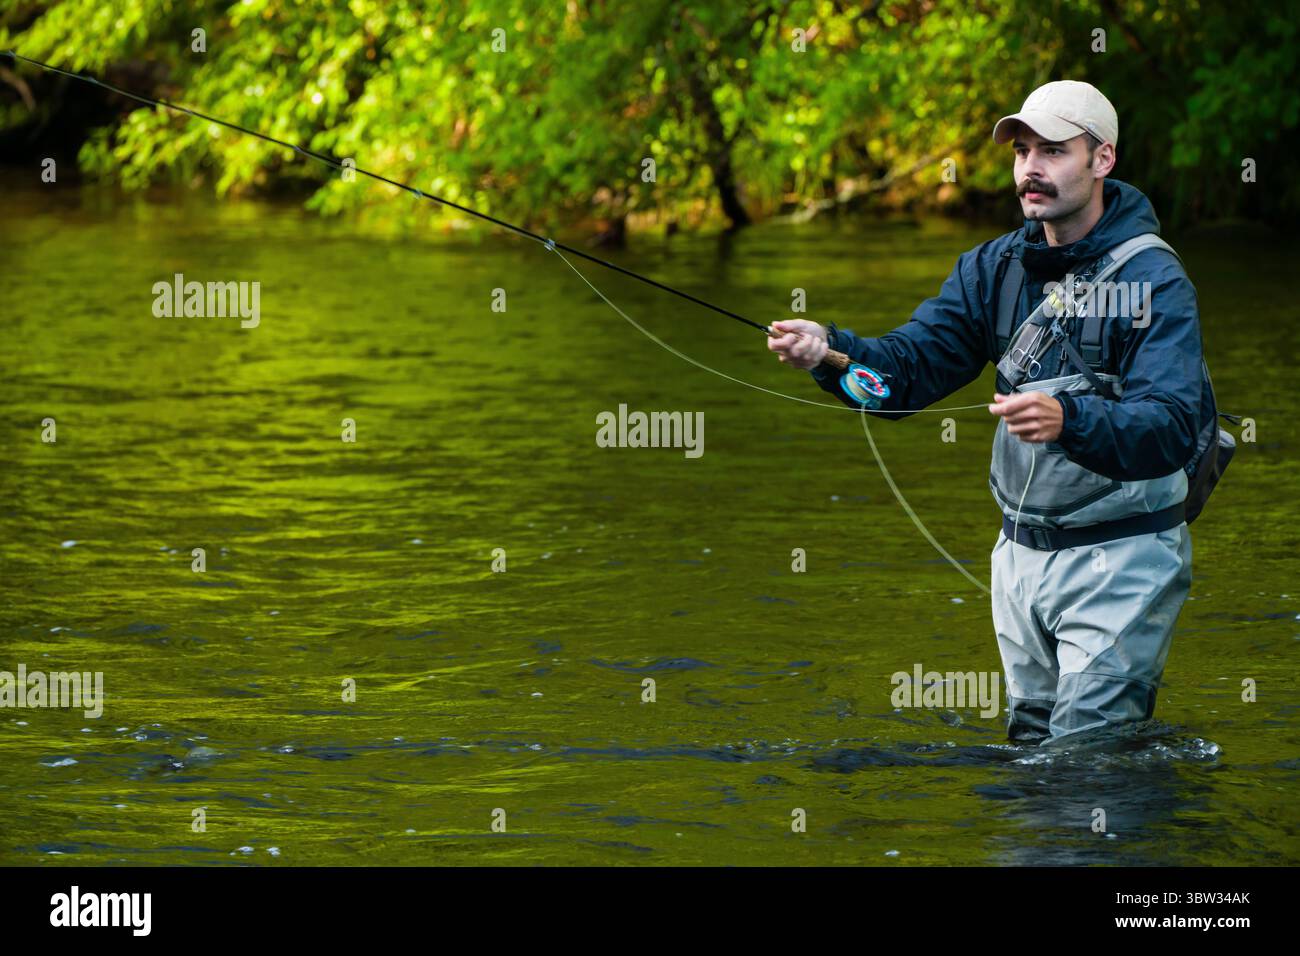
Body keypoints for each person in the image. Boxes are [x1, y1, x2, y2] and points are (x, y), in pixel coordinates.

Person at [768, 80, 1213, 744]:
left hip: (1123, 555)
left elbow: (1174, 426)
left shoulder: (1155, 282)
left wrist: (1070, 420)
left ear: (1103, 159)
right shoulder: (991, 270)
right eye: (1022, 150)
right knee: (1033, 748)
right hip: (1020, 559)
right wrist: (829, 354)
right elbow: (904, 379)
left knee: (1086, 755)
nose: (1031, 167)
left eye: (1054, 151)